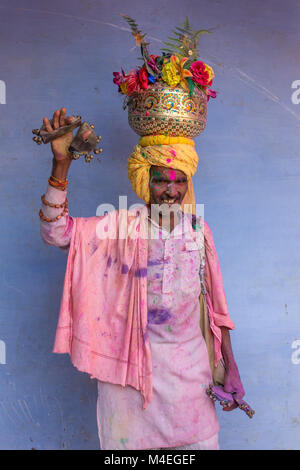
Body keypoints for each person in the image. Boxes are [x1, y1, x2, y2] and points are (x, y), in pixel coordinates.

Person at [39, 107, 245, 451]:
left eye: (180, 180)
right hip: (129, 383)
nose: (171, 190)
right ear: (144, 181)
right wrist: (62, 164)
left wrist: (225, 365)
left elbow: (209, 307)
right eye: (162, 179)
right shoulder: (118, 228)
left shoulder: (198, 231)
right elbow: (56, 232)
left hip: (190, 379)